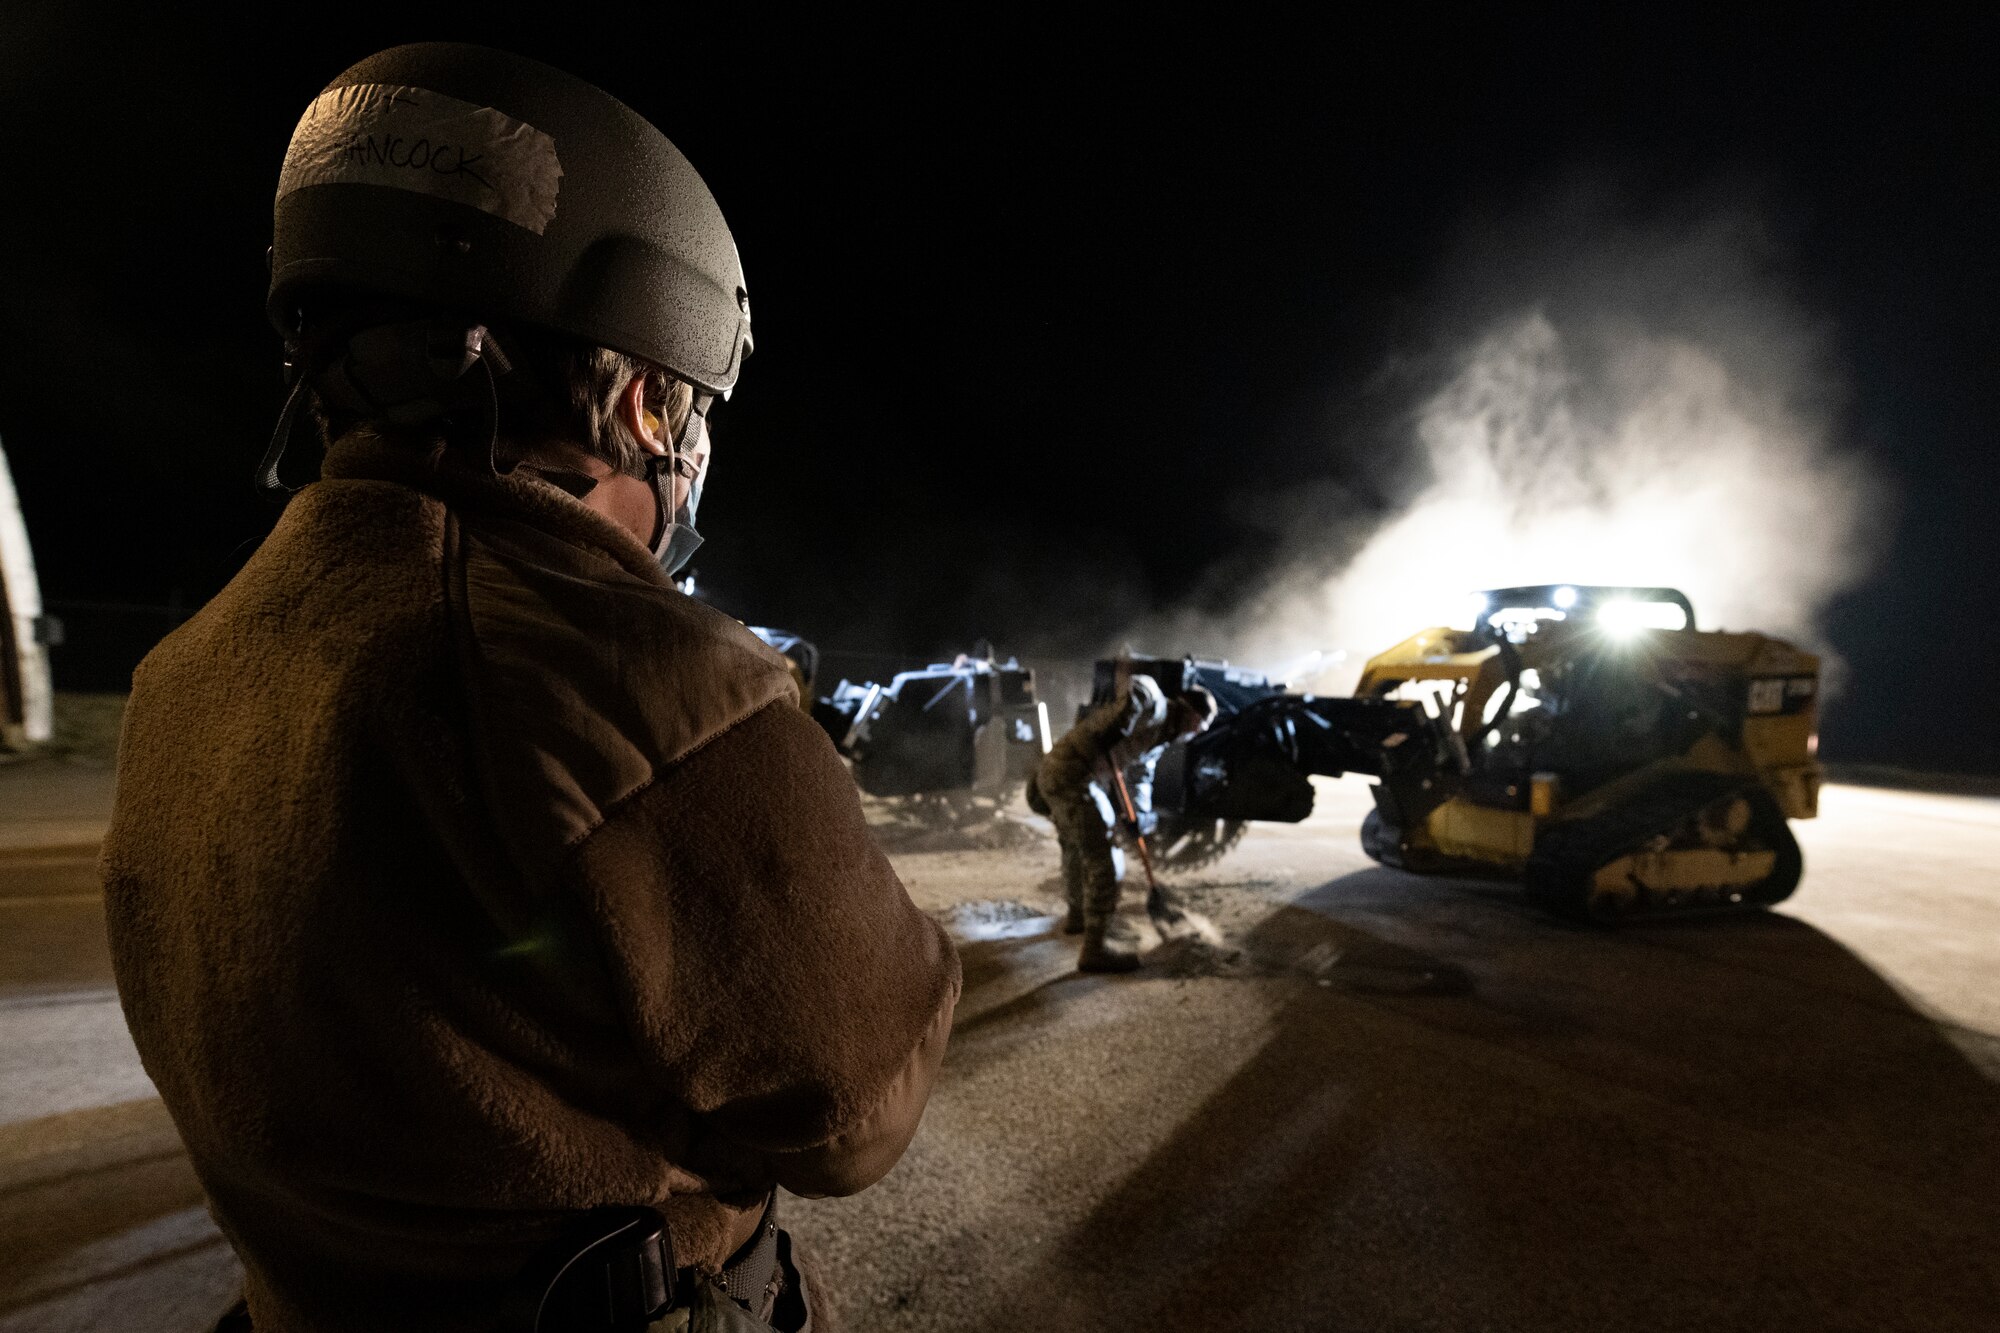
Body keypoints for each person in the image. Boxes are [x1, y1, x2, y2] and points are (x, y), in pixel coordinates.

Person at [99, 43, 959, 1333]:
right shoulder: (648, 687)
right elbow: (849, 1116)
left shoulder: (187, 671)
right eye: (691, 408)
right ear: (634, 398)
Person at [1031, 669, 1214, 972]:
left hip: (1067, 774)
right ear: (1190, 711)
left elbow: (1141, 778)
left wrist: (1139, 817)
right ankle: (1095, 951)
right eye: (1201, 725)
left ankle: (1079, 917)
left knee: (1076, 847)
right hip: (1074, 773)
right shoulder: (1155, 704)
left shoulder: (1160, 740)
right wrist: (1122, 722)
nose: (1198, 733)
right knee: (1106, 859)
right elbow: (1139, 688)